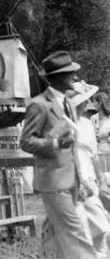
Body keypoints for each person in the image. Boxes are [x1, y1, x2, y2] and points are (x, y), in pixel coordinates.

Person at [20, 51, 96, 259]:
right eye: (71, 73)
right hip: (54, 183)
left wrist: (80, 181)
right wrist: (55, 143)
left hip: (71, 181)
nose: (75, 77)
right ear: (58, 77)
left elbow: (72, 149)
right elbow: (26, 142)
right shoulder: (39, 105)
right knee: (76, 234)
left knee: (57, 237)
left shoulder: (69, 104)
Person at [68, 81, 110, 257]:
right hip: (71, 184)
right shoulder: (64, 124)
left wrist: (101, 182)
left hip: (90, 182)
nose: (87, 104)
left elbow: (93, 156)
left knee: (102, 228)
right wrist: (78, 182)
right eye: (84, 101)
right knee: (79, 232)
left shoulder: (86, 123)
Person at [92, 93, 110, 173]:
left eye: (94, 102)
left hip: (108, 155)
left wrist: (106, 138)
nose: (93, 104)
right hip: (96, 155)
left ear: (100, 103)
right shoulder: (93, 118)